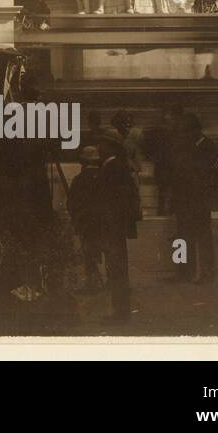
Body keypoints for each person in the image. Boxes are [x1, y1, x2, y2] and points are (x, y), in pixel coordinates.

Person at [172, 113, 218, 283]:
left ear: (195, 130)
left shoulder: (209, 147)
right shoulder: (185, 145)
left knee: (203, 238)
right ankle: (182, 272)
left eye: (185, 131)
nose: (183, 135)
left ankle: (207, 273)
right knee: (181, 237)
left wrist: (206, 189)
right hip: (184, 198)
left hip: (200, 199)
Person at [96, 131, 142, 323]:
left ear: (111, 147)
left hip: (113, 225)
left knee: (117, 268)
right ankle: (120, 310)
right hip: (115, 224)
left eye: (103, 145)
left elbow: (117, 199)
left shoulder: (113, 167)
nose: (100, 148)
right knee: (116, 268)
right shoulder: (116, 166)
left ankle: (121, 312)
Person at [68, 146, 104, 293]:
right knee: (100, 250)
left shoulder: (79, 179)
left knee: (88, 251)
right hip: (101, 220)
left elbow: (72, 202)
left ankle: (92, 281)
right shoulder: (104, 177)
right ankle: (102, 280)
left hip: (86, 221)